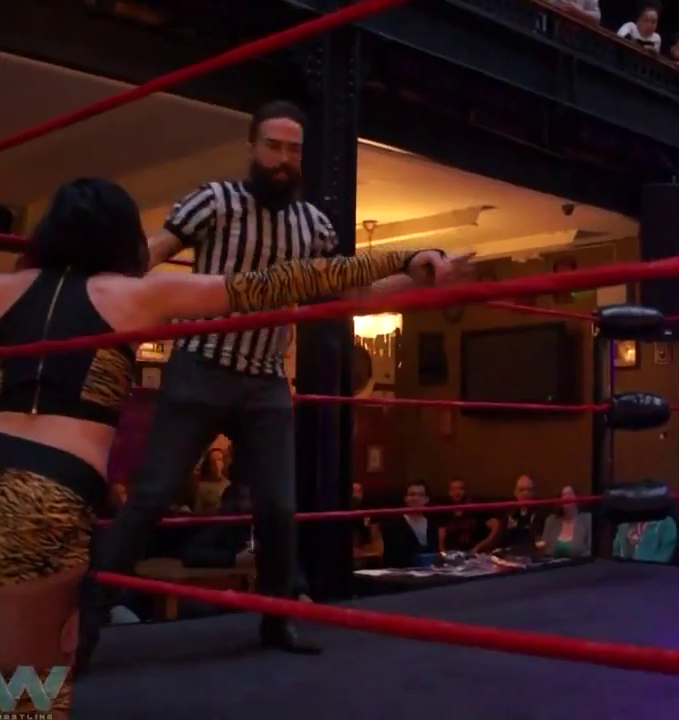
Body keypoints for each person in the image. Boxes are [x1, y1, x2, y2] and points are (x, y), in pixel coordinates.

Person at [0, 177, 458, 718]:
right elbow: (279, 283)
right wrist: (402, 257)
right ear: (123, 237)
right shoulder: (136, 295)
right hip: (42, 499)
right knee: (26, 693)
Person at [83, 100, 470, 662]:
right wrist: (101, 287)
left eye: (294, 150)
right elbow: (153, 254)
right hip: (200, 366)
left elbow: (353, 294)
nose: (284, 159)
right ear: (252, 148)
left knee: (278, 508)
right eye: (273, 146)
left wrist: (420, 279)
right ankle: (85, 618)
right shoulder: (215, 200)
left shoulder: (313, 225)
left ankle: (276, 620)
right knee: (151, 496)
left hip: (264, 381)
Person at [540, 486, 592, 558]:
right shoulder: (551, 520)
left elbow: (590, 550)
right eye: (564, 495)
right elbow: (544, 548)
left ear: (577, 498)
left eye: (570, 494)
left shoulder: (587, 519)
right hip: (553, 563)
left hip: (580, 563)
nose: (567, 497)